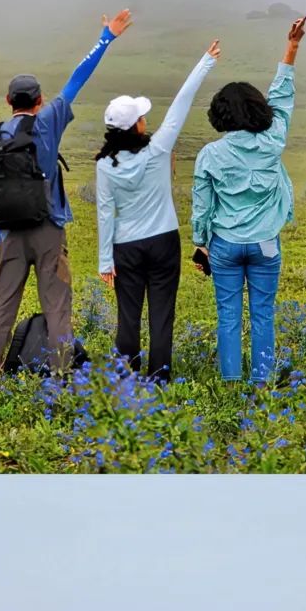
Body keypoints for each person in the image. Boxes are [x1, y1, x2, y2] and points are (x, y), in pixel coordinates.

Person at [0, 10, 133, 387]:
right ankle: (61, 376)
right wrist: (106, 37)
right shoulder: (49, 120)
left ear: (9, 100)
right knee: (57, 305)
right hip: (48, 228)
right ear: (41, 100)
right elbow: (79, 77)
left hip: (8, 233)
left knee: (0, 306)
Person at [192, 16, 306, 383]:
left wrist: (200, 244)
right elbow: (282, 99)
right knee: (263, 314)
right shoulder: (272, 142)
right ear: (257, 111)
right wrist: (291, 48)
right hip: (265, 243)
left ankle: (230, 384)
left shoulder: (210, 155)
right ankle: (261, 383)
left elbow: (202, 208)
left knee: (227, 315)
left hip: (224, 243)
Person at [97, 43, 220, 380]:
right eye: (140, 117)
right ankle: (160, 378)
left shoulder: (105, 164)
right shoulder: (158, 147)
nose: (145, 119)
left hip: (126, 245)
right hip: (163, 241)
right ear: (135, 125)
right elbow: (182, 102)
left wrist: (105, 261)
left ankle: (126, 376)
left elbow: (106, 212)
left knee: (128, 315)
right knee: (162, 314)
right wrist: (205, 60)